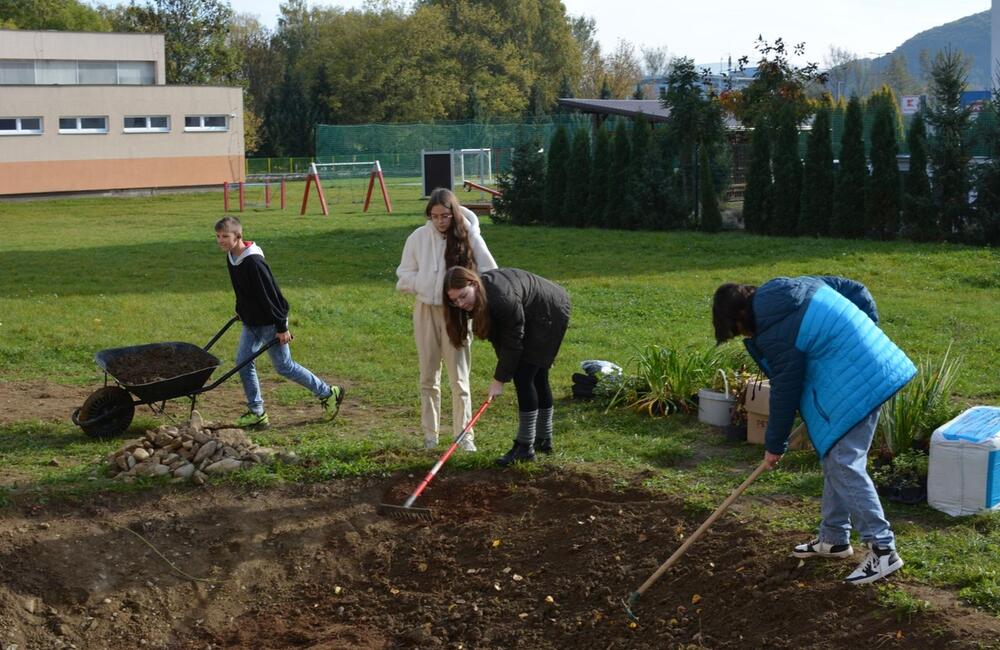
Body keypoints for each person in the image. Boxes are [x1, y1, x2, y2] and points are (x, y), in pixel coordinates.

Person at [712, 276, 916, 585]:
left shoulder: (773, 332)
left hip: (862, 378)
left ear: (742, 315)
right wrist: (865, 336)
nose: (745, 336)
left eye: (739, 330)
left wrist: (774, 444)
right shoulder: (792, 287)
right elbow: (854, 289)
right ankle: (834, 539)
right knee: (834, 452)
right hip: (866, 368)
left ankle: (883, 549)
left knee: (843, 462)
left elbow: (786, 387)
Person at [215, 216, 344, 428]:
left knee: (284, 367)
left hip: (270, 323)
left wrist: (282, 327)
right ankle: (257, 412)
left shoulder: (253, 262)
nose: (221, 240)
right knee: (243, 363)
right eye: (218, 237)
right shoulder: (231, 256)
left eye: (225, 236)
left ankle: (329, 393)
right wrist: (241, 310)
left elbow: (274, 296)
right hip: (251, 322)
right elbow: (243, 290)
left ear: (238, 236)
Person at [396, 189, 497, 451]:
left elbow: (490, 273)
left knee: (459, 379)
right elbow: (403, 274)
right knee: (428, 376)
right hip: (425, 311)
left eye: (445, 215)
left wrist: (468, 293)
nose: (440, 221)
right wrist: (424, 284)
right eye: (434, 216)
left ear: (454, 213)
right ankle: (431, 435)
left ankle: (464, 436)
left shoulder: (469, 237)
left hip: (458, 313)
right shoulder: (418, 237)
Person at [443, 266, 571, 467]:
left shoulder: (500, 298)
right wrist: (502, 371)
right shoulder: (482, 299)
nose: (460, 303)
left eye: (462, 296)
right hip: (531, 309)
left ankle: (525, 447)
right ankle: (543, 441)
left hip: (550, 310)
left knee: (526, 376)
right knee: (536, 376)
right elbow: (500, 339)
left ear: (474, 284)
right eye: (454, 300)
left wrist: (499, 379)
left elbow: (513, 341)